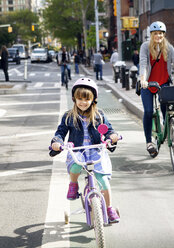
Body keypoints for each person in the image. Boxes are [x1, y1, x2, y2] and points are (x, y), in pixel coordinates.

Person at [50, 78, 120, 223]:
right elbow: (60, 132)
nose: (83, 102)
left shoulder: (99, 115)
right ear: (74, 99)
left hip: (96, 151)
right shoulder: (69, 116)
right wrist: (57, 142)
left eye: (87, 99)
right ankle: (73, 184)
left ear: (93, 99)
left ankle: (109, 208)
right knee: (75, 166)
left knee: (103, 181)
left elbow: (109, 131)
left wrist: (112, 136)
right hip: (78, 151)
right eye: (79, 99)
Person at [139, 21, 174, 157]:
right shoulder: (145, 47)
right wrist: (143, 79)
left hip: (163, 83)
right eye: (155, 33)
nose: (158, 36)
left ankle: (167, 128)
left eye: (160, 33)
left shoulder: (169, 47)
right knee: (149, 111)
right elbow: (143, 64)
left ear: (164, 34)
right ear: (151, 34)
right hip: (148, 85)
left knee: (167, 111)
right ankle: (149, 142)